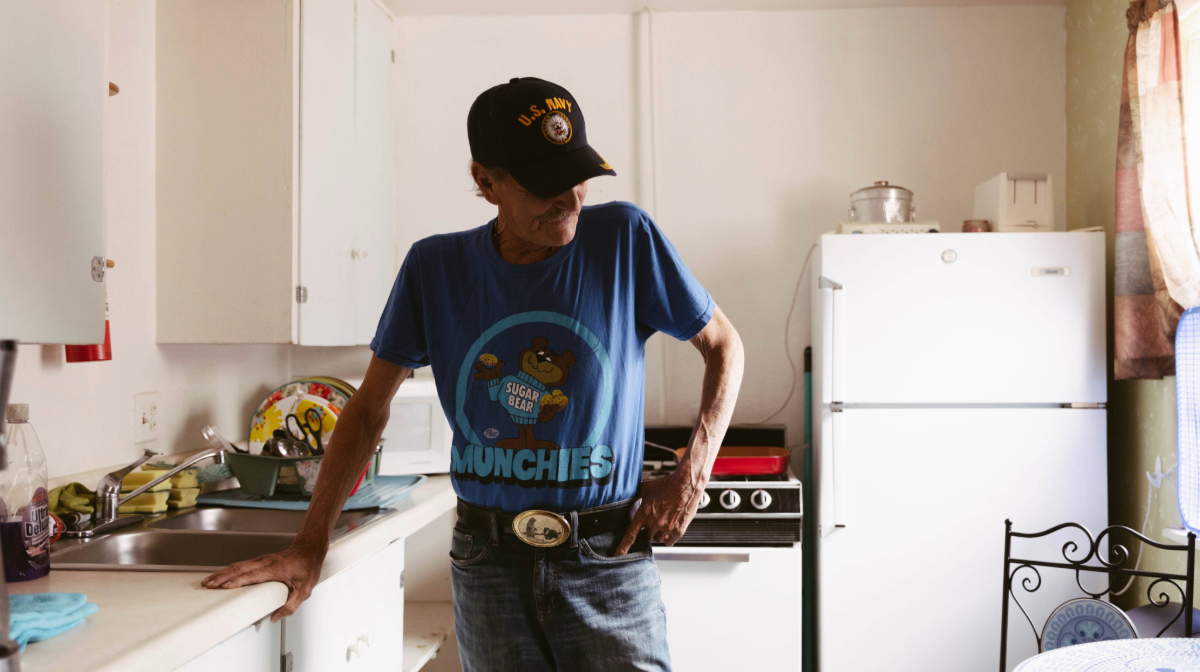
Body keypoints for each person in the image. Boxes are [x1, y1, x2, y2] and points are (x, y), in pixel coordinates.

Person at [202, 77, 744, 672]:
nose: (568, 198)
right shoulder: (435, 267)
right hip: (489, 563)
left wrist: (694, 469)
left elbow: (723, 344)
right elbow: (366, 411)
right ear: (486, 182)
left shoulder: (623, 239)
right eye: (542, 185)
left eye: (576, 175)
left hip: (606, 558)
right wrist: (310, 545)